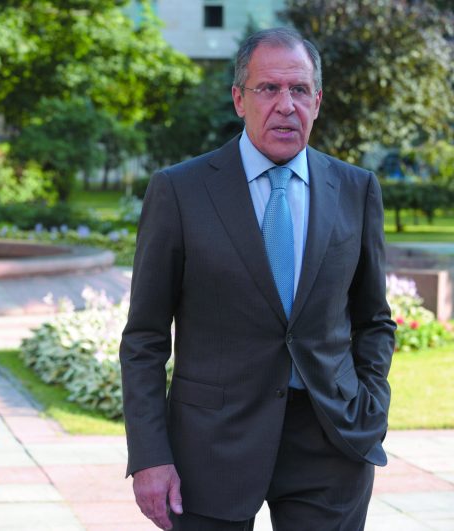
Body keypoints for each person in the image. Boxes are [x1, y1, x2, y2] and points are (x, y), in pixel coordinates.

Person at [119, 27, 395, 531]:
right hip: (210, 446)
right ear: (238, 99)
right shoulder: (180, 191)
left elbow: (374, 319)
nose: (285, 105)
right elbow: (145, 339)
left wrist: (370, 406)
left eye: (299, 90)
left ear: (317, 100)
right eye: (268, 89)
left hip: (331, 442)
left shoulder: (356, 189)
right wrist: (149, 456)